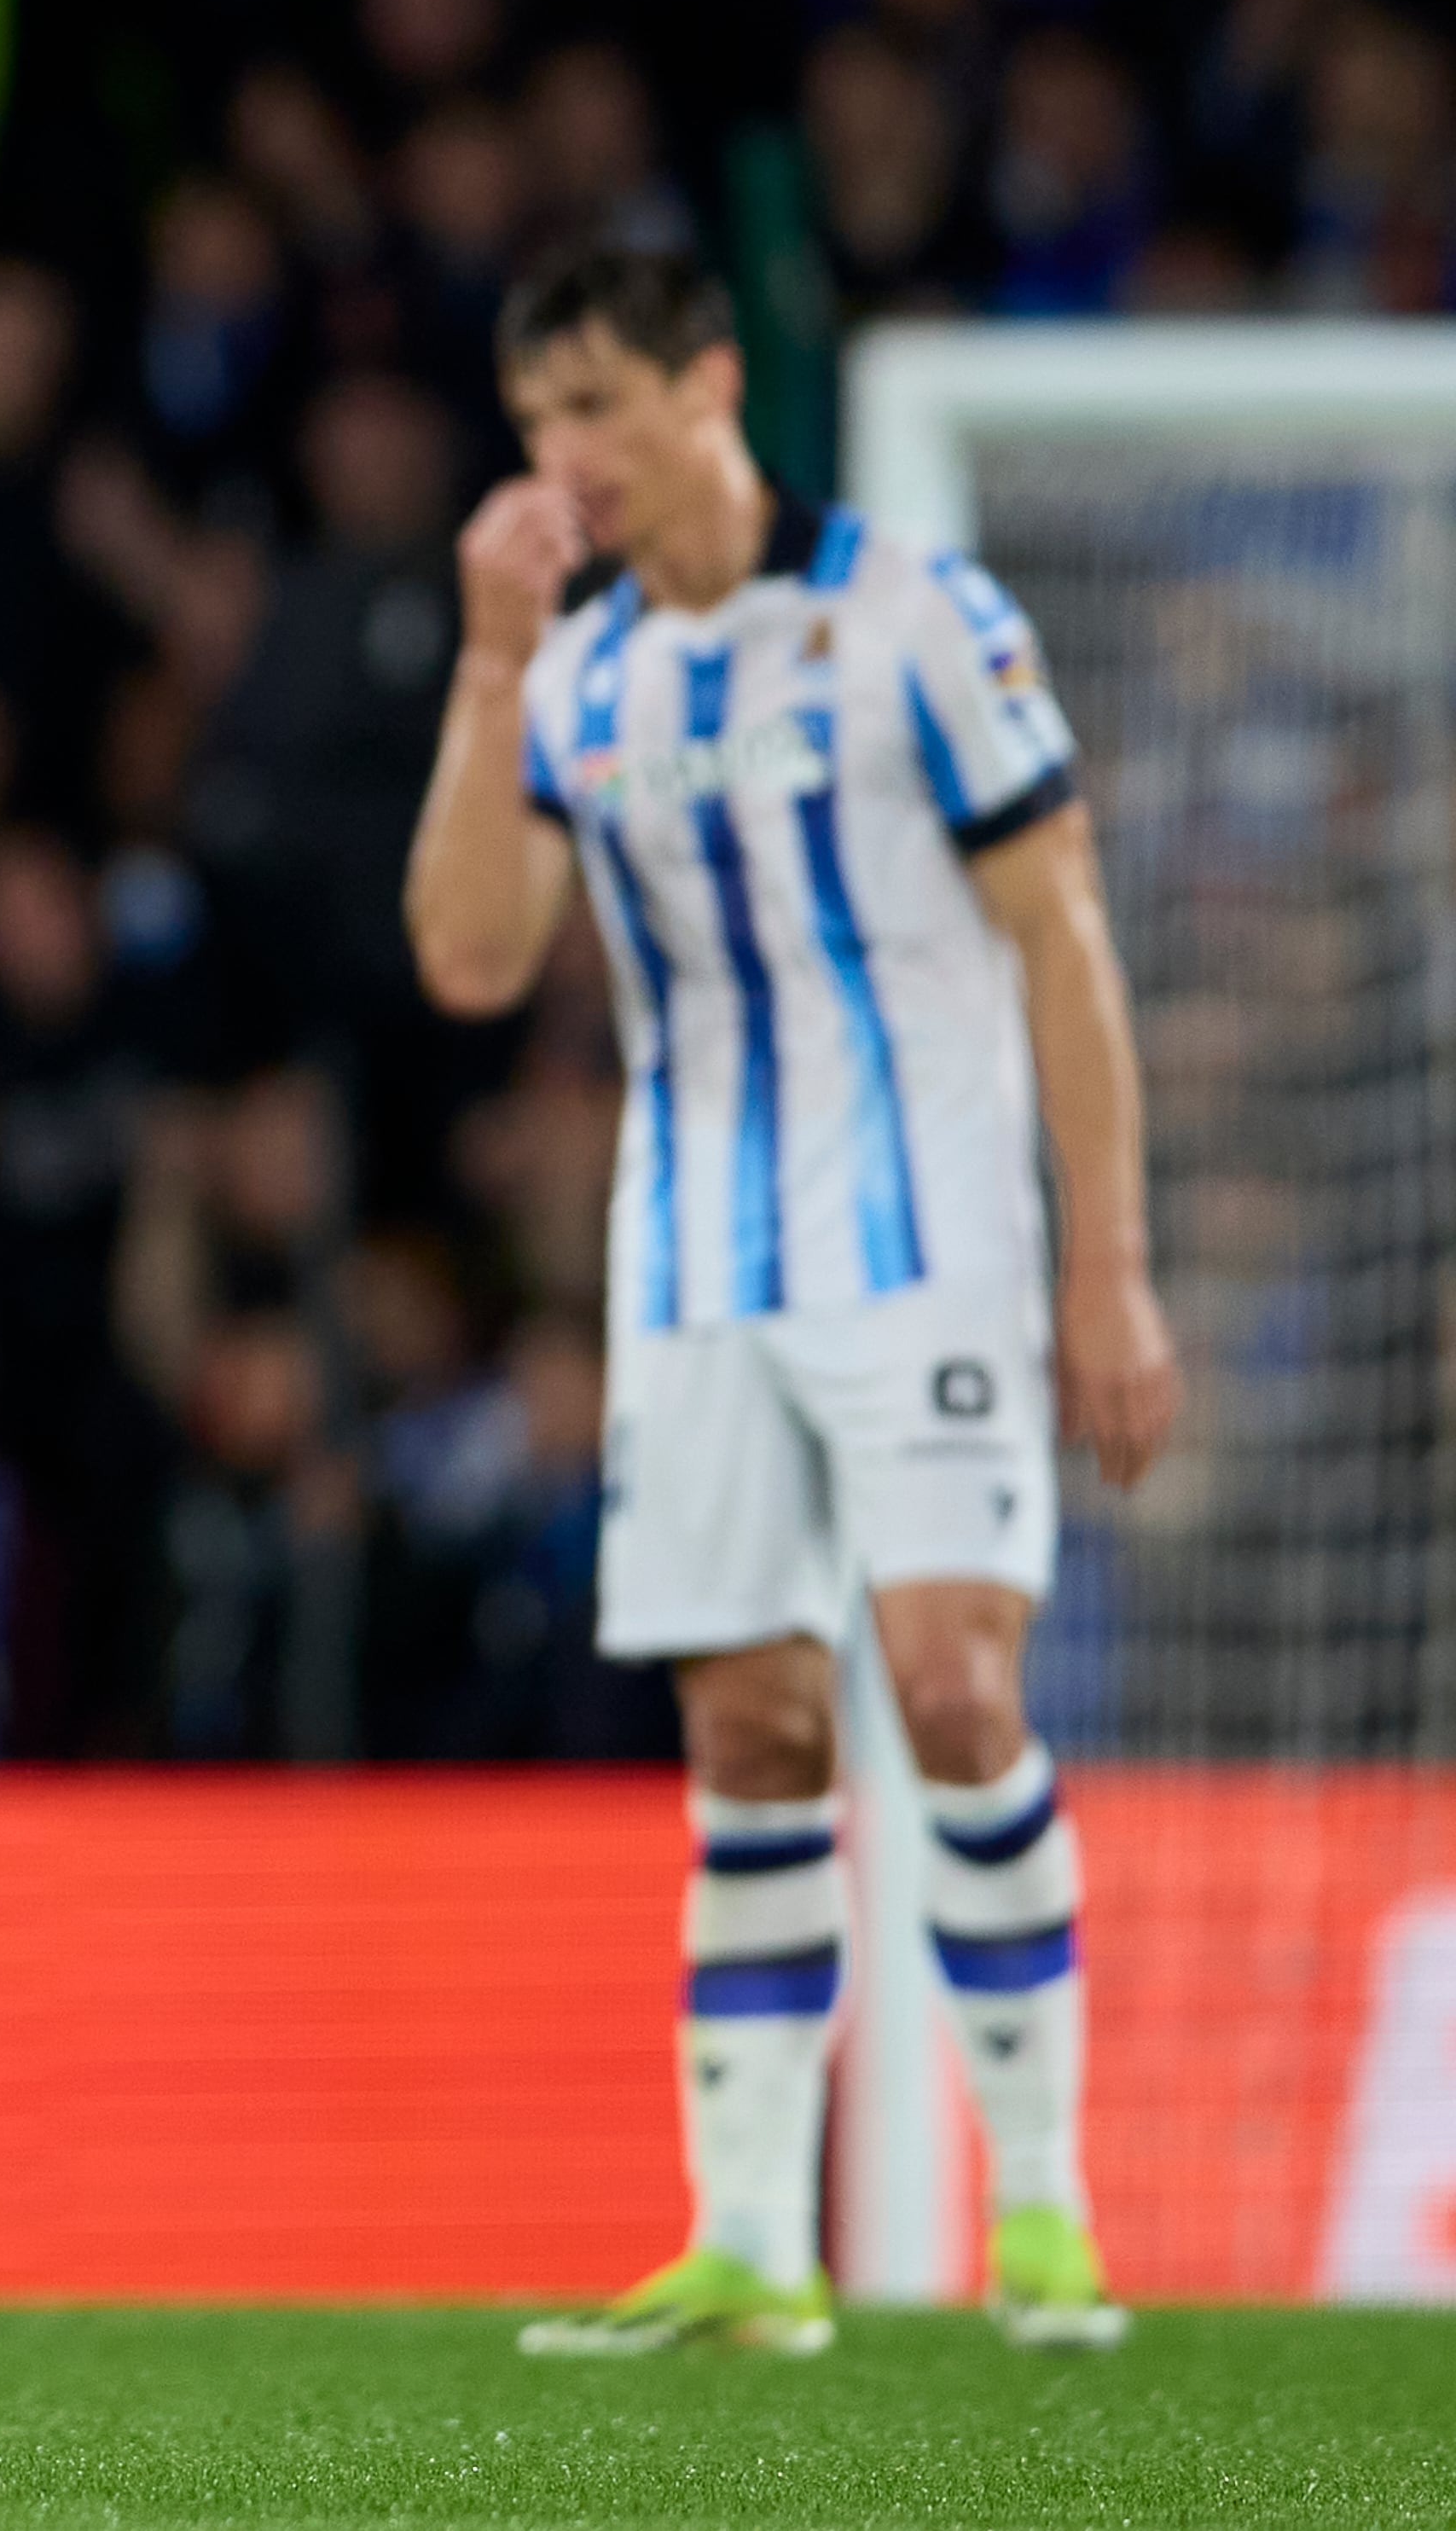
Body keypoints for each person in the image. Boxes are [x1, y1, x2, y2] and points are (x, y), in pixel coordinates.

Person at [402, 244, 1178, 2358]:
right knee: (745, 1729)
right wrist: (487, 666)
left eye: (595, 405)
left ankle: (1041, 2210)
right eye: (534, 419)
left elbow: (1063, 935)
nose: (566, 459)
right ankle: (752, 2237)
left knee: (946, 1689)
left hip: (927, 1233)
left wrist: (1105, 1262)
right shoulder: (574, 676)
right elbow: (470, 960)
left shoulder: (919, 615)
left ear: (708, 384)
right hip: (688, 1265)